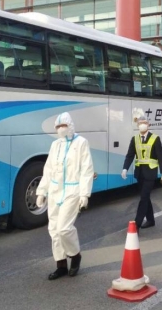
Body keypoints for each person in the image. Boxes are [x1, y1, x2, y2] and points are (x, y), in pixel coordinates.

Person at [36, 112, 95, 280]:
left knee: (64, 228)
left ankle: (75, 255)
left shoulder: (81, 143)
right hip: (55, 191)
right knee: (54, 230)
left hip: (72, 191)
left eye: (64, 126)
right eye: (58, 127)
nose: (61, 129)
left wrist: (85, 193)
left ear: (70, 125)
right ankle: (60, 264)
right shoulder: (55, 145)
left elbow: (86, 169)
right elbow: (48, 169)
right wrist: (42, 191)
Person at [122, 115, 162, 231]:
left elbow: (160, 157)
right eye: (140, 123)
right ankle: (151, 220)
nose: (142, 124)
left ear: (148, 125)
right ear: (137, 125)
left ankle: (136, 225)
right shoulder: (135, 139)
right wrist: (125, 168)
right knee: (145, 197)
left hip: (150, 173)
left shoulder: (155, 138)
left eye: (144, 122)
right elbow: (130, 155)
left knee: (143, 198)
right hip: (139, 173)